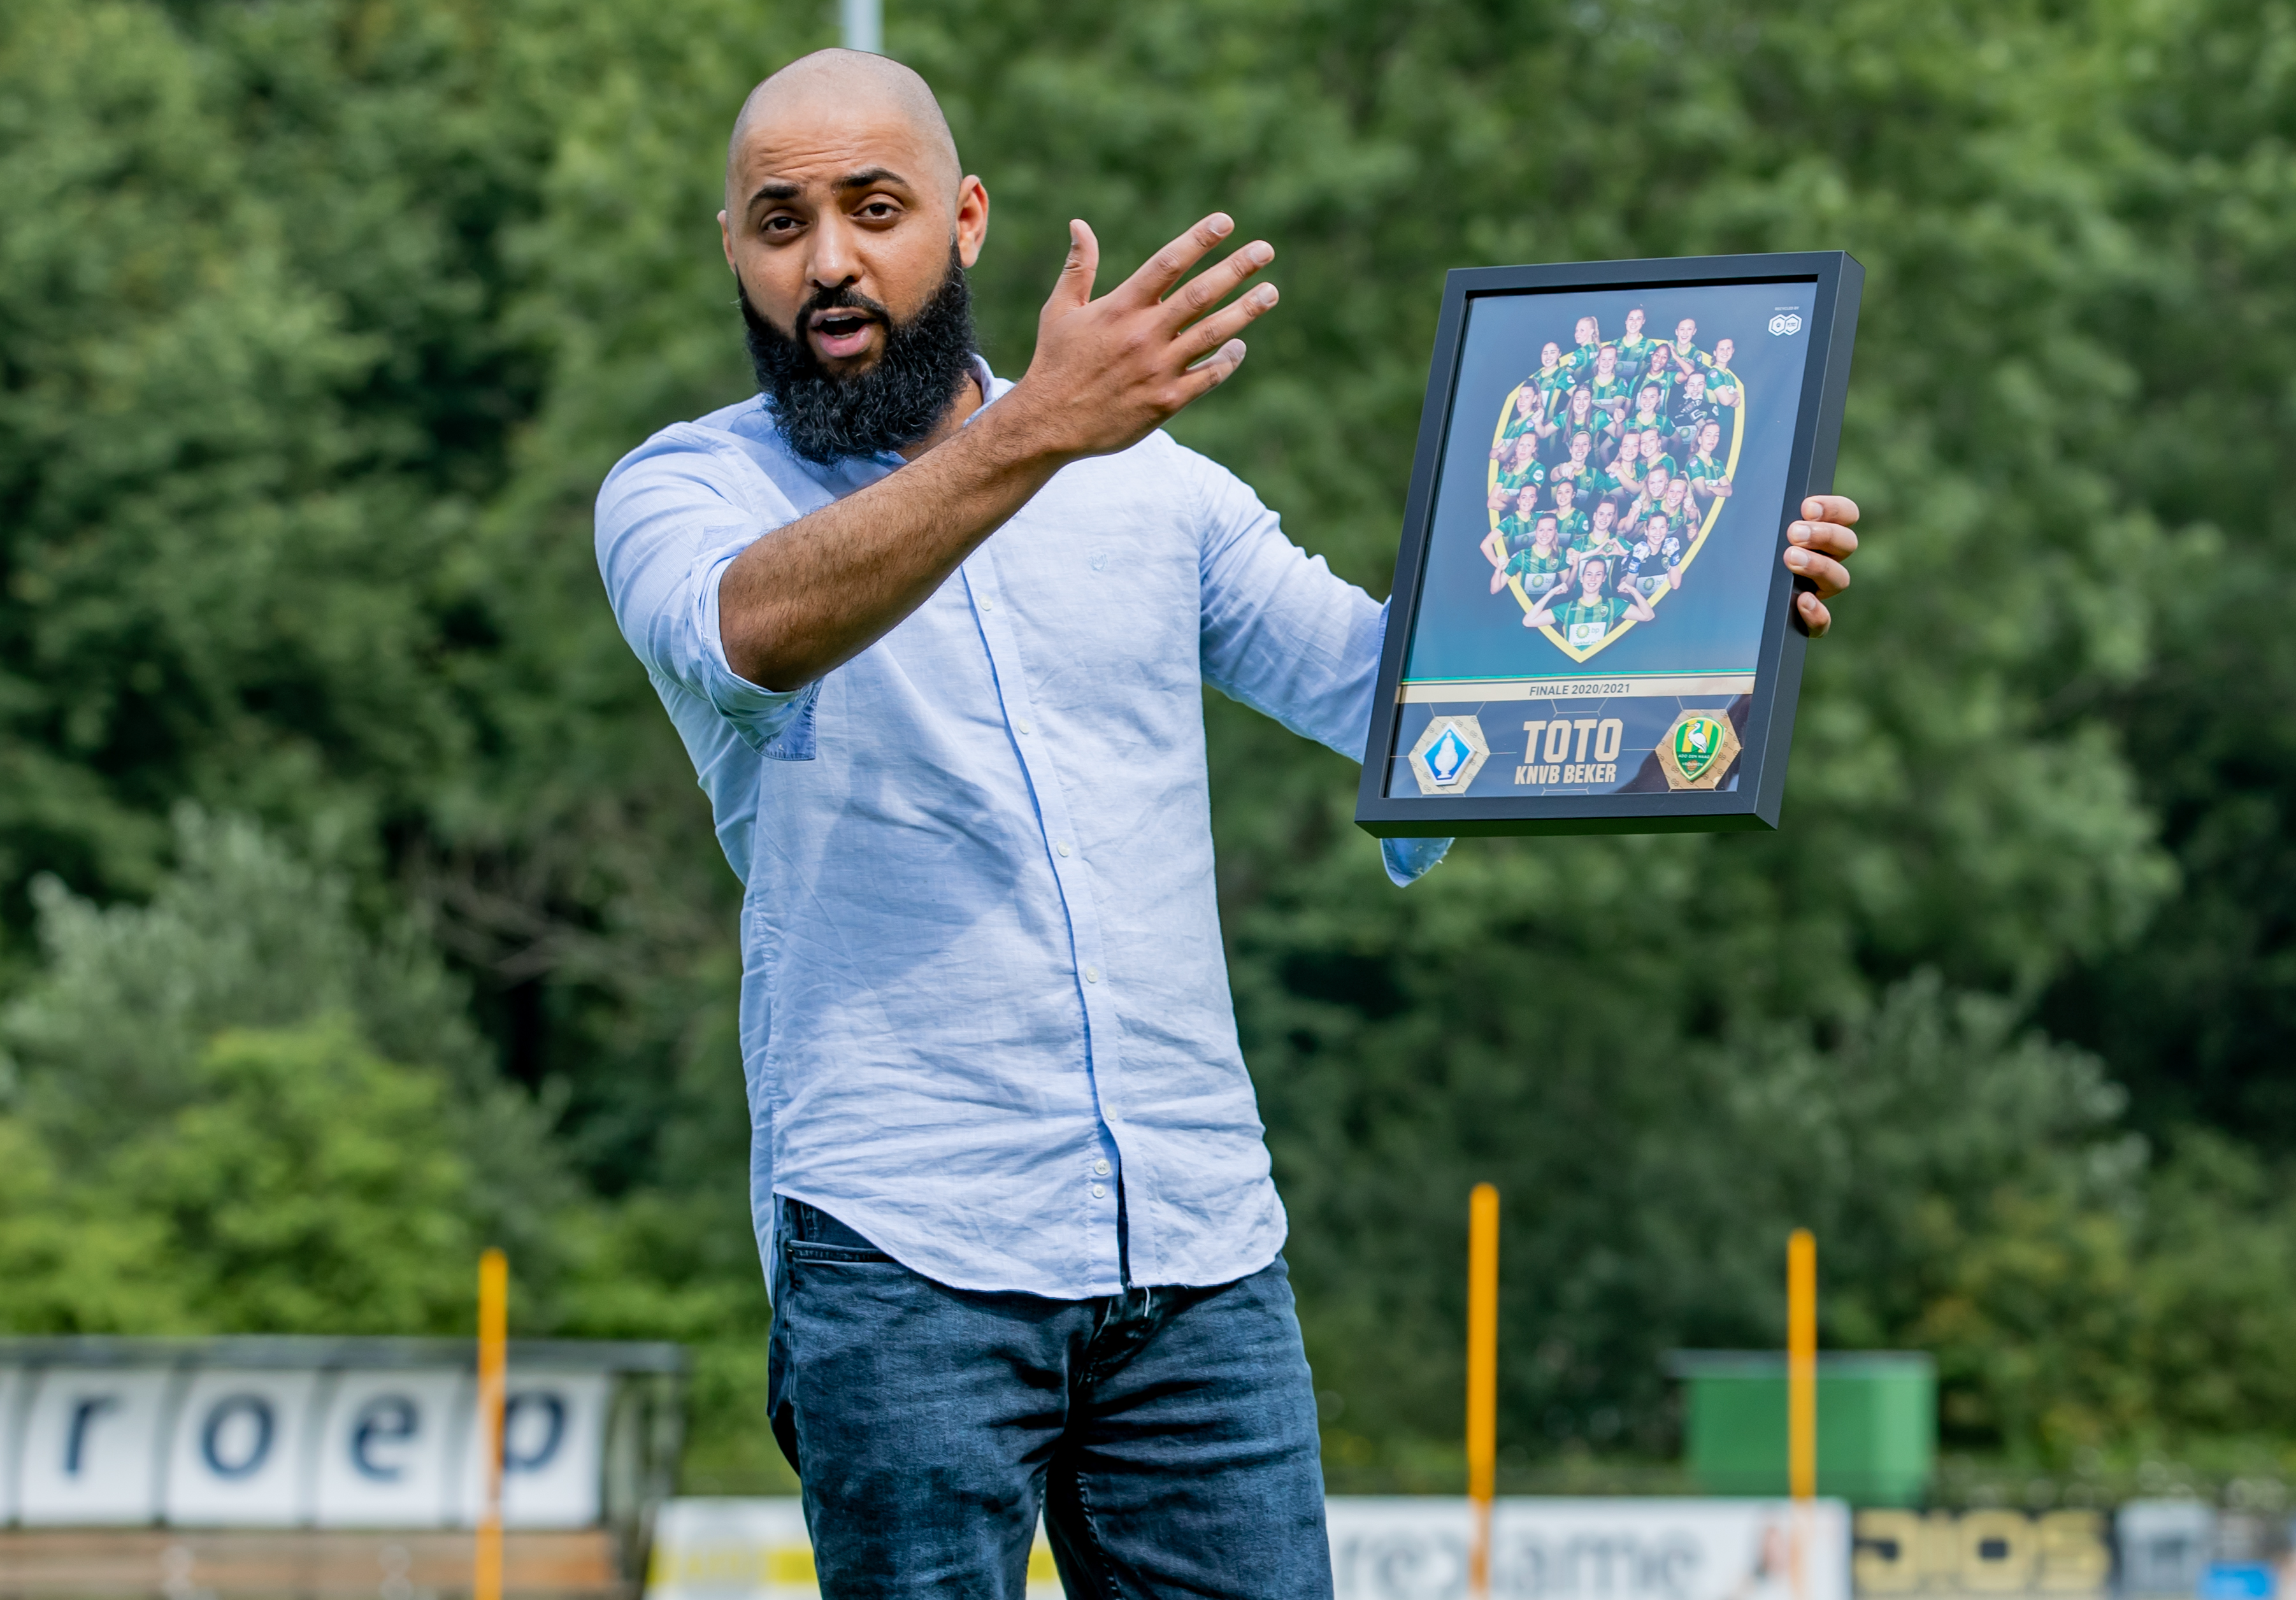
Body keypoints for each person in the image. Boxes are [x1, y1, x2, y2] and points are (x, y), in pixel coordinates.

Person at [594, 48, 1862, 1600]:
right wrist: (1040, 427)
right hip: (903, 1241)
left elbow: (1393, 692)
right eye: (782, 223)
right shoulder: (683, 491)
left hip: (1199, 1249)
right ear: (732, 245)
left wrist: (1719, 583)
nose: (831, 260)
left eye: (876, 208)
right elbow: (749, 633)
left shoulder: (1158, 495)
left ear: (968, 219)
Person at [1526, 552, 1624, 648]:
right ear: (1582, 578)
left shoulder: (1613, 604)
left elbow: (1640, 614)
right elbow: (1529, 621)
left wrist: (1633, 591)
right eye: (1589, 574)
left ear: (1604, 578)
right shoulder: (1567, 608)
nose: (1593, 579)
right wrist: (1551, 593)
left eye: (1598, 574)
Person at [1490, 513, 1571, 608]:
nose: (1545, 534)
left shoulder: (1561, 553)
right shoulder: (1522, 556)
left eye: (1550, 530)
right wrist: (1498, 569)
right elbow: (1494, 590)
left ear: (1555, 532)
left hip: (1547, 607)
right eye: (1541, 530)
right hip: (1522, 606)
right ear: (1535, 531)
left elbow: (1567, 587)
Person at [1621, 511, 1686, 616]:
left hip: (1665, 609)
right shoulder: (1634, 555)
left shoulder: (1671, 550)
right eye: (1653, 528)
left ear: (1668, 528)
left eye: (1662, 527)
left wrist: (1674, 558)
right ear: (1646, 531)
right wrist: (1635, 564)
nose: (1658, 533)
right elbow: (1625, 595)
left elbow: (1675, 585)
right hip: (1639, 613)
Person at [1684, 418, 1733, 506]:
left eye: (1716, 435)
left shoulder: (1718, 463)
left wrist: (1710, 488)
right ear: (1700, 440)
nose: (1712, 439)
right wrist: (1719, 490)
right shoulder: (1695, 463)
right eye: (1708, 435)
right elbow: (1703, 494)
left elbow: (1729, 491)